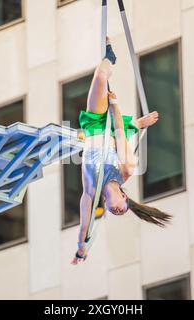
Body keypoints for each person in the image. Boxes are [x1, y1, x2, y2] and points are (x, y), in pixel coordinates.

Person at [72, 38, 172, 265]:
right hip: (107, 124)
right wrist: (115, 104)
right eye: (122, 209)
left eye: (114, 212)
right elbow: (118, 132)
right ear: (124, 196)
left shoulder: (91, 192)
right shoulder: (125, 170)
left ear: (106, 206)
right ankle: (110, 57)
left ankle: (109, 59)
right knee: (101, 76)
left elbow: (84, 224)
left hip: (92, 126)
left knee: (98, 77)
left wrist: (81, 248)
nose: (117, 210)